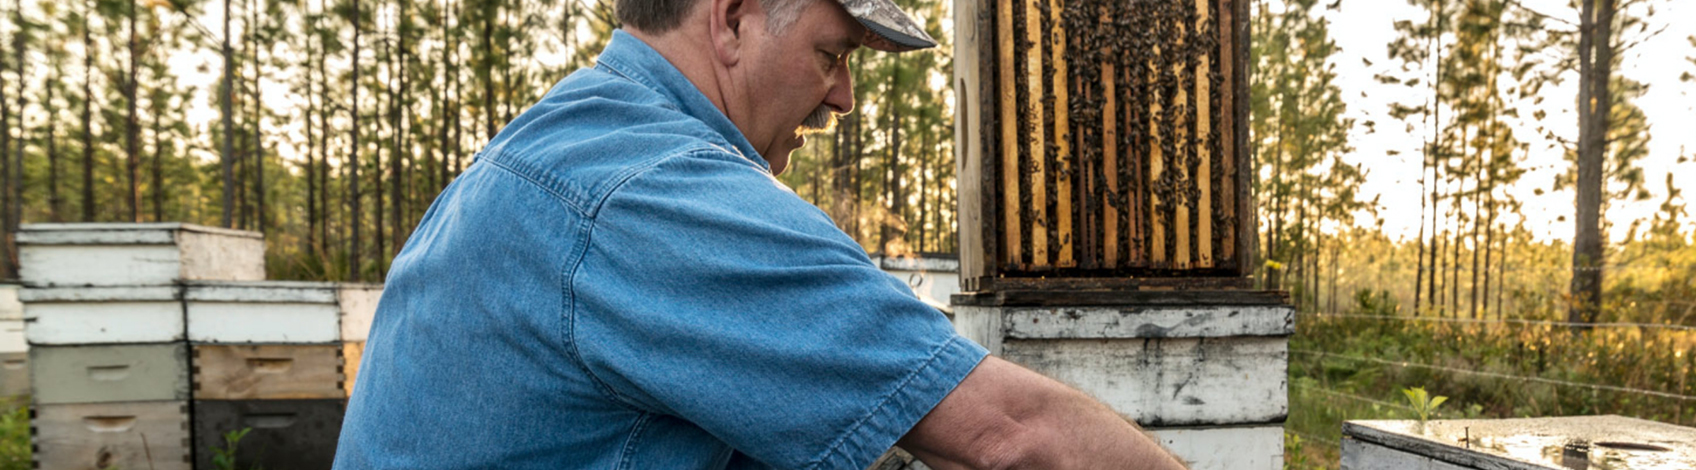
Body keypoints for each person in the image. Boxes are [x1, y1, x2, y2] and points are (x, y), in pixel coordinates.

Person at [331, 0, 1188, 468]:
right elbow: (1013, 433)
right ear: (733, 19)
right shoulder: (664, 195)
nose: (845, 97)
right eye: (831, 53)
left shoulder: (554, 148)